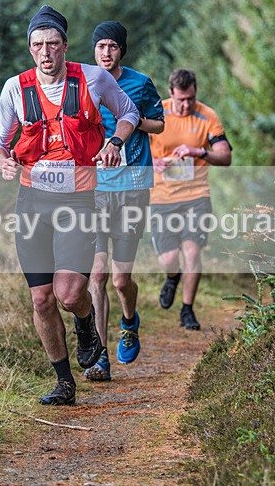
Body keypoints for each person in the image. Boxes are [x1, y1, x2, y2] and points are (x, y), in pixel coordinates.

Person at [0, 6, 139, 405]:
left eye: (52, 44)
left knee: (70, 294)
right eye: (37, 45)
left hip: (78, 198)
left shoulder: (93, 78)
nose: (45, 52)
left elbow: (129, 112)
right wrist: (3, 162)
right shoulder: (14, 89)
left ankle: (87, 326)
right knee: (41, 299)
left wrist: (114, 142)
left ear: (65, 46)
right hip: (32, 201)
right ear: (30, 49)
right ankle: (64, 383)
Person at [85, 21, 165, 381]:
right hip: (96, 187)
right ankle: (100, 355)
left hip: (133, 185)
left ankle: (129, 321)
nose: (106, 52)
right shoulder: (84, 83)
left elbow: (160, 125)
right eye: (101, 46)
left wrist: (129, 121)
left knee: (120, 280)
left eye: (112, 46)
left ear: (122, 50)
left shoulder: (140, 82)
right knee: (97, 275)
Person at [149, 69, 231, 330]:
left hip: (196, 195)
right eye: (181, 99)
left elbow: (225, 157)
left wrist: (199, 151)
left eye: (191, 99)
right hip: (161, 195)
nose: (186, 105)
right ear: (170, 93)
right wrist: (152, 162)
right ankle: (172, 277)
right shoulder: (155, 111)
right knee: (169, 257)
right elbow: (132, 148)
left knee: (192, 251)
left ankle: (187, 310)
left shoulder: (207, 115)